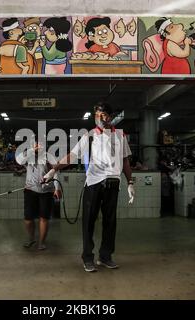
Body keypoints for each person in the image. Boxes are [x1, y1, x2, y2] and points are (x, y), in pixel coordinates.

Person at [43, 102, 135, 272]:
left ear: (109, 116)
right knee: (89, 222)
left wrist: (130, 182)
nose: (99, 118)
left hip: (113, 184)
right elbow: (72, 155)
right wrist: (53, 170)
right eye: (97, 116)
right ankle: (87, 258)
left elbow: (125, 160)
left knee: (110, 222)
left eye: (102, 115)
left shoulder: (120, 136)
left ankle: (105, 257)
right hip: (94, 184)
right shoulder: (89, 136)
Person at [16, 142, 61, 250]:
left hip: (46, 191)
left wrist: (57, 188)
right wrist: (32, 150)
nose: (38, 146)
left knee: (44, 218)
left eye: (40, 144)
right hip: (30, 190)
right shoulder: (28, 155)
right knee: (28, 218)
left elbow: (56, 171)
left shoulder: (49, 156)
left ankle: (41, 242)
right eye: (36, 144)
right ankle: (31, 239)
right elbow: (19, 160)